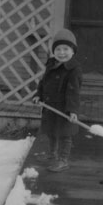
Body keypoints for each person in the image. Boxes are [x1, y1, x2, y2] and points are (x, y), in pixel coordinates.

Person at [33, 28, 82, 172]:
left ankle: (63, 160)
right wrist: (38, 95)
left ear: (73, 51)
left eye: (65, 49)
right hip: (50, 106)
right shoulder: (51, 64)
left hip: (65, 109)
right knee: (51, 132)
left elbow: (74, 92)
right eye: (58, 49)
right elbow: (43, 82)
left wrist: (72, 110)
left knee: (64, 135)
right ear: (54, 51)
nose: (62, 52)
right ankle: (52, 154)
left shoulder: (74, 69)